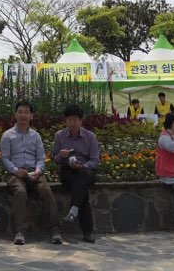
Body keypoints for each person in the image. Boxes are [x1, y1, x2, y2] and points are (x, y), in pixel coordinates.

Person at [0, 100, 62, 245]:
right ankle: (20, 232)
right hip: (15, 173)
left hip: (34, 172)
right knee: (20, 192)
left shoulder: (36, 136)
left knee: (46, 190)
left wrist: (38, 171)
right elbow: (5, 158)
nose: (23, 115)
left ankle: (55, 230)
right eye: (20, 112)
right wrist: (16, 170)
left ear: (31, 116)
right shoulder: (7, 135)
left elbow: (41, 158)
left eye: (26, 112)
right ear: (15, 114)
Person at [52, 104, 98, 243]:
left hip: (86, 171)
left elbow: (94, 160)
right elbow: (55, 159)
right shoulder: (60, 136)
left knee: (82, 176)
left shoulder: (90, 137)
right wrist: (61, 156)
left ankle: (74, 210)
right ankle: (87, 230)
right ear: (66, 120)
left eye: (75, 119)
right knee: (82, 190)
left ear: (81, 120)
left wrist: (82, 166)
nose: (72, 122)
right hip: (68, 171)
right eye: (69, 119)